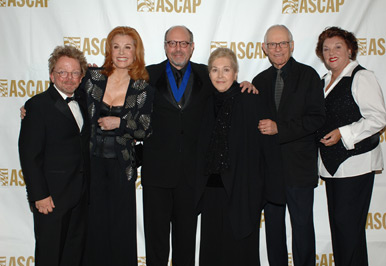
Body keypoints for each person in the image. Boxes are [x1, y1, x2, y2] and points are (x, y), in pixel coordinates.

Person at [142, 25, 256, 266]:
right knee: (156, 244)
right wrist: (91, 75)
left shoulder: (207, 74)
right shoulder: (147, 75)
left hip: (192, 177)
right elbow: (118, 84)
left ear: (192, 47)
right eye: (172, 43)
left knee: (186, 243)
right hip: (156, 175)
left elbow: (228, 86)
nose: (178, 48)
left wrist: (247, 84)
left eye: (183, 43)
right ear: (165, 47)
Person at [252, 25, 325, 266]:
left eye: (282, 43)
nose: (277, 49)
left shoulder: (309, 76)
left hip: (299, 168)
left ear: (292, 46)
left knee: (302, 227)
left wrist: (279, 127)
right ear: (264, 48)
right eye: (272, 44)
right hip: (269, 170)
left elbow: (316, 118)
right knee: (273, 229)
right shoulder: (259, 80)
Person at [81, 26, 154, 266]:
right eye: (116, 47)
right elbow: (66, 98)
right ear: (109, 50)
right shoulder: (93, 79)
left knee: (121, 226)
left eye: (127, 47)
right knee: (94, 223)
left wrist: (120, 123)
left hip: (122, 165)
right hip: (92, 162)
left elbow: (145, 128)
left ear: (136, 52)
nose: (121, 52)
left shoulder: (142, 88)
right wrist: (31, 108)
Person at [315, 26, 386, 266]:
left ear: (350, 49)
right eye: (326, 48)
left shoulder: (361, 77)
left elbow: (377, 118)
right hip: (332, 167)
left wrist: (343, 133)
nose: (331, 52)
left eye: (337, 47)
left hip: (356, 165)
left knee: (348, 232)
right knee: (341, 232)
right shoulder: (324, 81)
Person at [194, 47, 267, 266]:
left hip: (241, 190)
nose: (220, 75)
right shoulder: (203, 102)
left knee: (240, 252)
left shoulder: (250, 100)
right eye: (215, 70)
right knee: (213, 250)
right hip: (210, 191)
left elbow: (262, 150)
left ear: (236, 74)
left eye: (226, 70)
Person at [18, 45, 90, 266]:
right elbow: (29, 155)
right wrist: (39, 195)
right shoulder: (37, 106)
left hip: (81, 197)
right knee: (49, 256)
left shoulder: (85, 103)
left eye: (74, 72)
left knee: (73, 255)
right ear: (51, 75)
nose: (68, 78)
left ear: (81, 76)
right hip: (51, 199)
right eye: (62, 72)